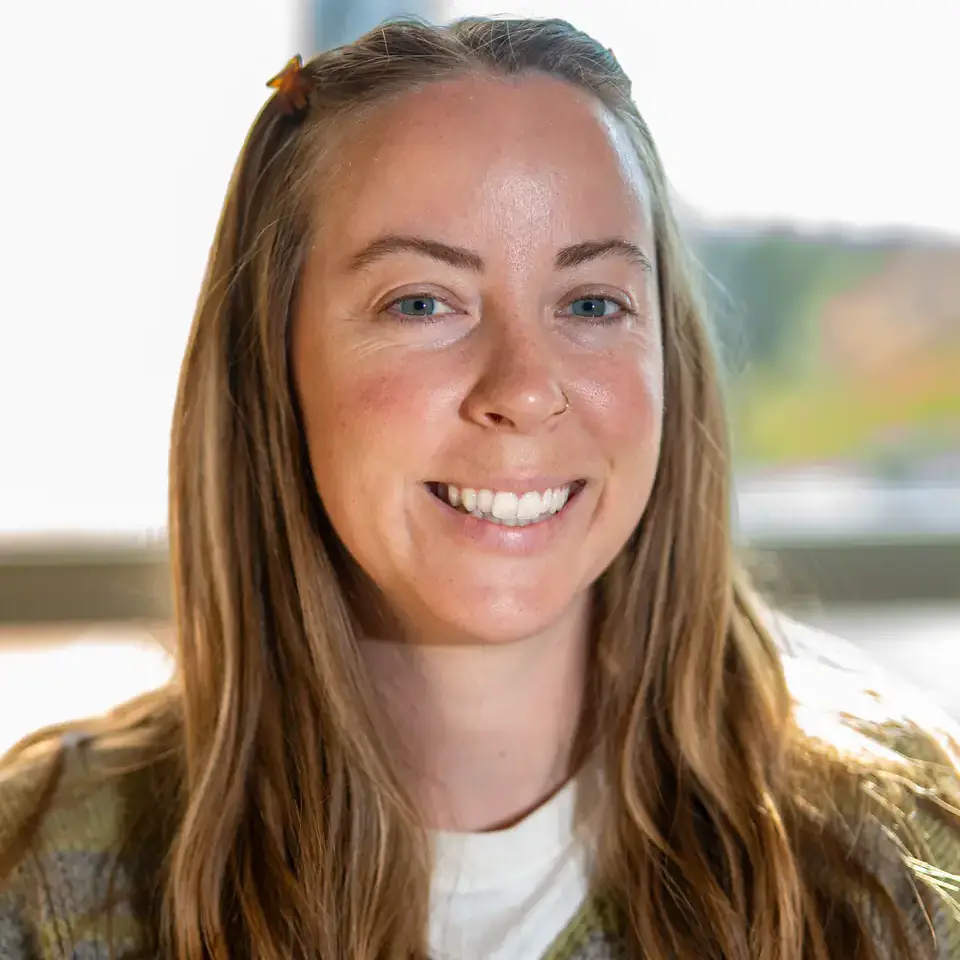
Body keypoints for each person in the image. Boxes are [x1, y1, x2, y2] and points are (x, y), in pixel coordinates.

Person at [1, 16, 958, 960]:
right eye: (422, 302)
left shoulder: (903, 853)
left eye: (591, 303)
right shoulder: (40, 873)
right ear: (270, 362)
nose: (525, 388)